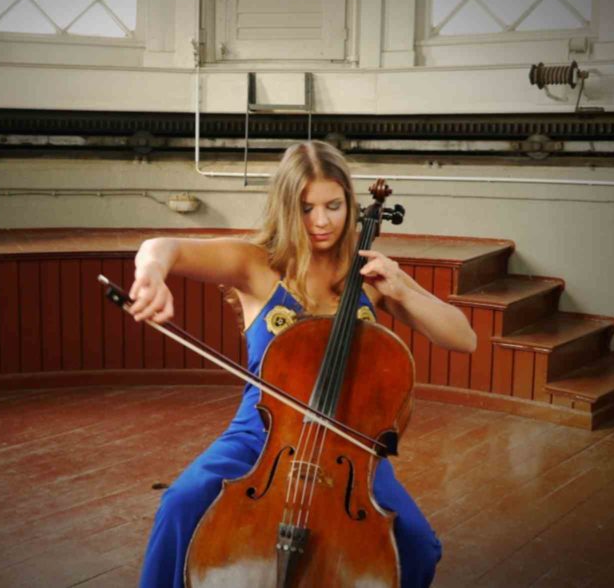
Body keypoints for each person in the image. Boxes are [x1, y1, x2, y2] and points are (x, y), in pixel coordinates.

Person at [129, 141, 477, 588]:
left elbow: (463, 338)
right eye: (306, 207)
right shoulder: (258, 265)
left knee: (418, 549)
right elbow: (162, 245)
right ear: (286, 207)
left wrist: (403, 290)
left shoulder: (368, 275)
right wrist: (150, 274)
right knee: (181, 501)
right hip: (261, 435)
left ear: (350, 205)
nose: (321, 221)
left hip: (349, 448)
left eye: (333, 206)